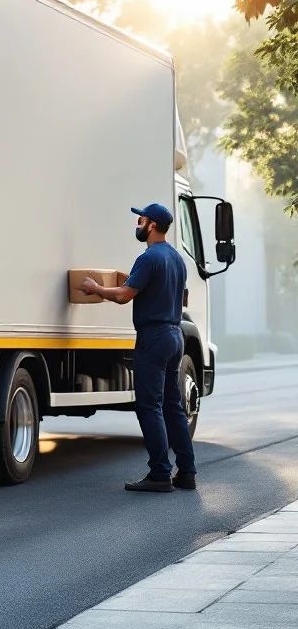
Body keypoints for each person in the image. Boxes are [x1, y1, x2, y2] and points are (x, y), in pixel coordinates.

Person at [82, 202, 197, 493]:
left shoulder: (148, 258)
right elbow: (172, 295)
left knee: (149, 406)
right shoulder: (176, 259)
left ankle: (159, 474)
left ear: (153, 225)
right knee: (173, 407)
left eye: (141, 220)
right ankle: (187, 473)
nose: (138, 224)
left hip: (154, 337)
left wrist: (96, 288)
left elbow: (123, 296)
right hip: (175, 335)